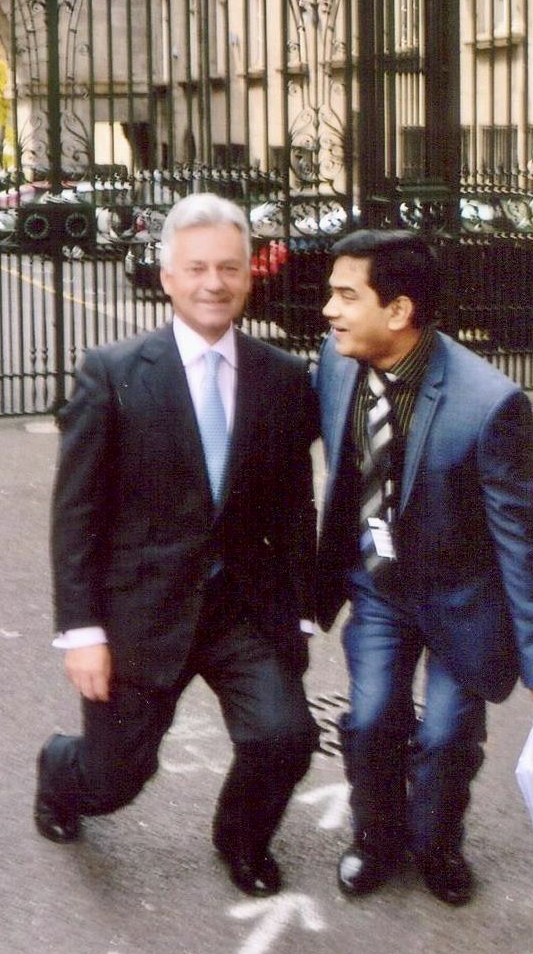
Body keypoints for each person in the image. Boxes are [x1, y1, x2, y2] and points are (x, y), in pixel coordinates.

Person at [33, 193, 320, 897]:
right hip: (141, 612)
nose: (213, 283)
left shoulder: (283, 378)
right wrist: (82, 632)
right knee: (114, 782)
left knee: (284, 736)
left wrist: (299, 611)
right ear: (166, 278)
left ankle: (241, 839)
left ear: (251, 274)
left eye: (228, 266)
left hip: (242, 611)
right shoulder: (114, 372)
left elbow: (292, 504)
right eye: (195, 269)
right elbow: (77, 515)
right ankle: (60, 775)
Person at [314, 228, 533, 907]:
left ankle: (437, 845)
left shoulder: (489, 405)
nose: (328, 311)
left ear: (398, 311)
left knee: (449, 734)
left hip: (464, 598)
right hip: (379, 585)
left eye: (346, 295)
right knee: (370, 720)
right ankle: (376, 838)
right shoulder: (338, 360)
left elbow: (522, 541)